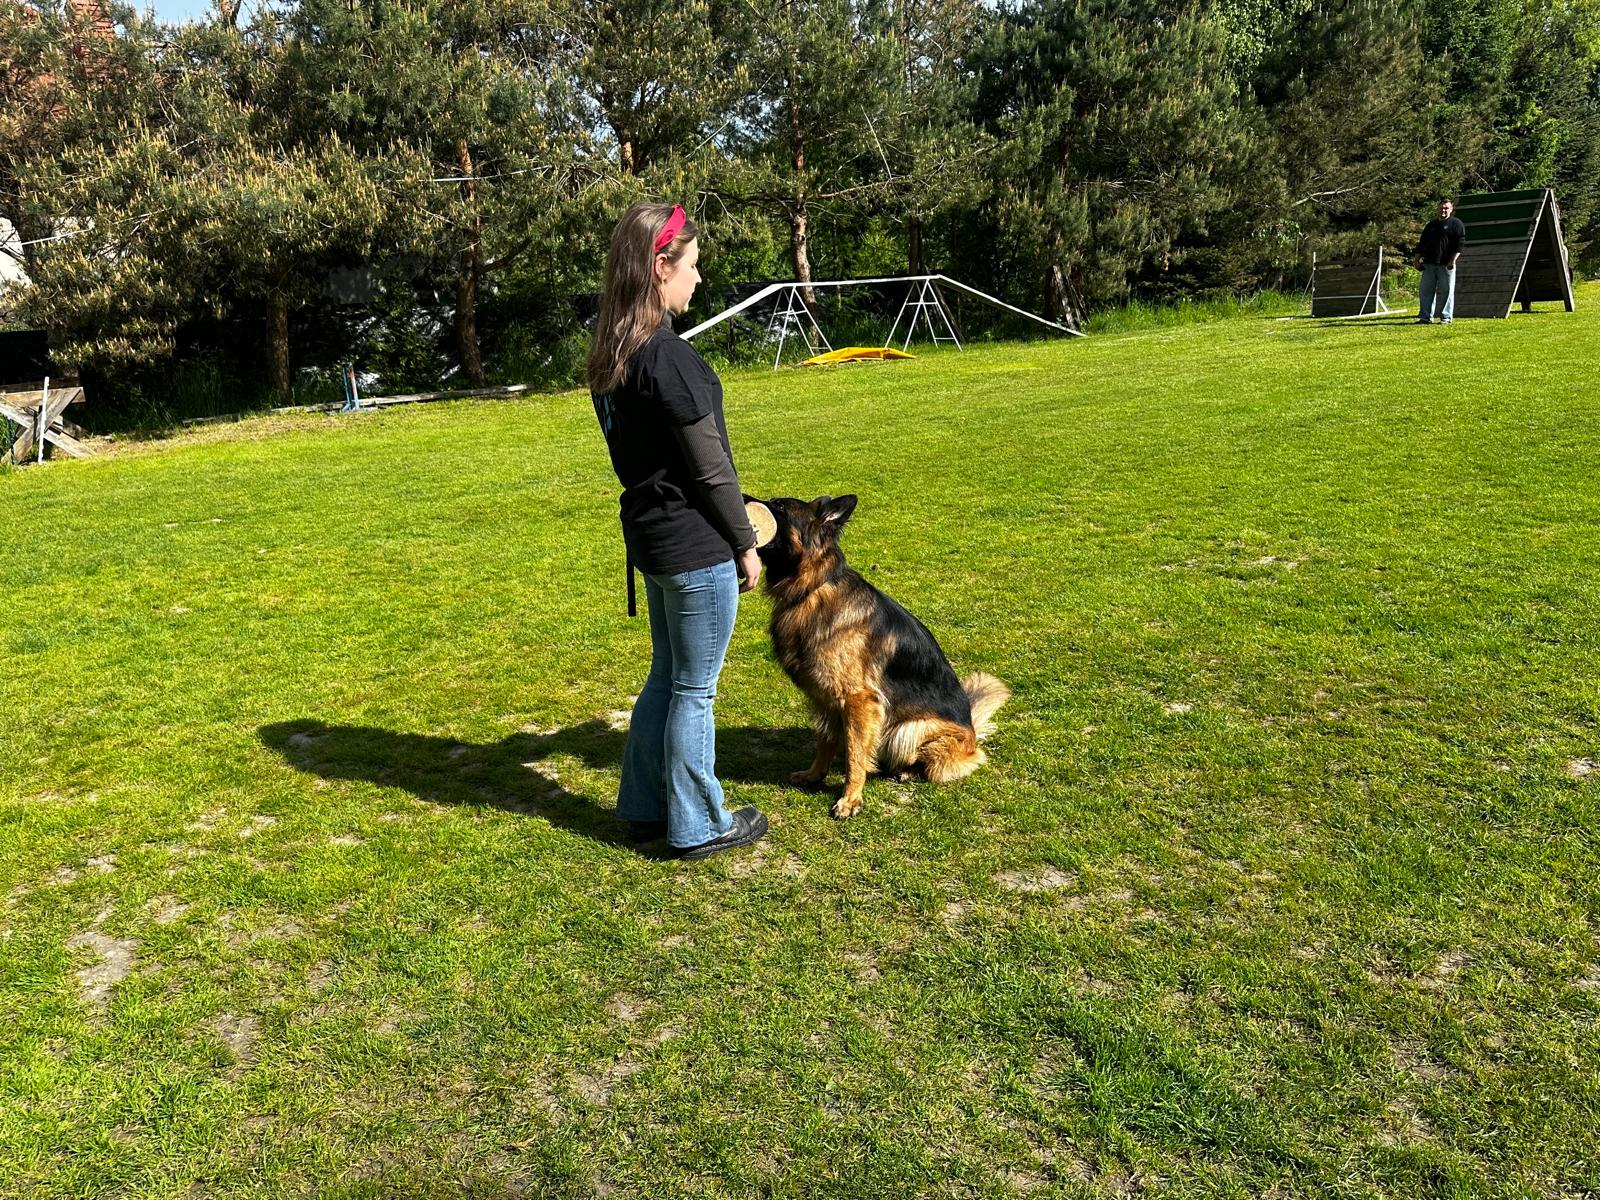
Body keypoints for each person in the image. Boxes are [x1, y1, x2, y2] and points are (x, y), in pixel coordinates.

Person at [586, 201, 769, 860]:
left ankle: (643, 806)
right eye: (692, 265)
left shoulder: (614, 352)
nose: (698, 278)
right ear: (660, 266)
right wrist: (745, 542)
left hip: (654, 540)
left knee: (667, 675)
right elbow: (710, 468)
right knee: (695, 689)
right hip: (693, 544)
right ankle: (698, 824)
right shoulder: (667, 356)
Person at [1414, 198, 1466, 324]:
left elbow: (1459, 245)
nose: (1443, 210)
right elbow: (1422, 244)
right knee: (1426, 292)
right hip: (1429, 264)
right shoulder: (1431, 225)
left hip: (1446, 264)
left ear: (1451, 209)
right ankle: (1425, 317)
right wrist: (1416, 260)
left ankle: (1446, 318)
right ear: (1437, 209)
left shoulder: (1456, 224)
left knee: (1447, 292)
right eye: (1442, 208)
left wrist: (1452, 261)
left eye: (1446, 208)